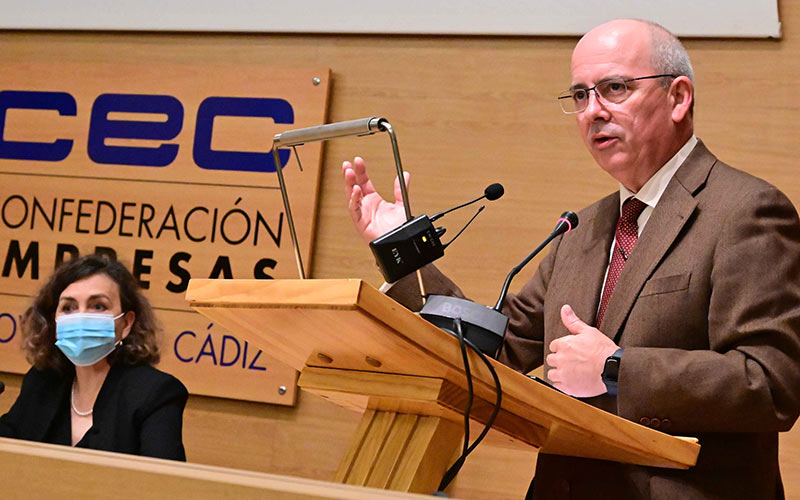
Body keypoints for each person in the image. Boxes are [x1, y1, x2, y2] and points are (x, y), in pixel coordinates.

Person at [342, 19, 800, 500]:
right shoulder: (580, 229)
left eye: (614, 88)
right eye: (580, 96)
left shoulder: (744, 211)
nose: (592, 111)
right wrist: (403, 251)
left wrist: (618, 368)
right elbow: (496, 347)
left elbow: (773, 383)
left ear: (678, 98)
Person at [0, 254, 188, 461]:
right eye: (68, 307)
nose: (81, 316)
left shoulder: (154, 394)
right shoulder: (43, 381)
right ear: (54, 321)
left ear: (126, 324)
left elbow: (165, 485)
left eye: (98, 306)